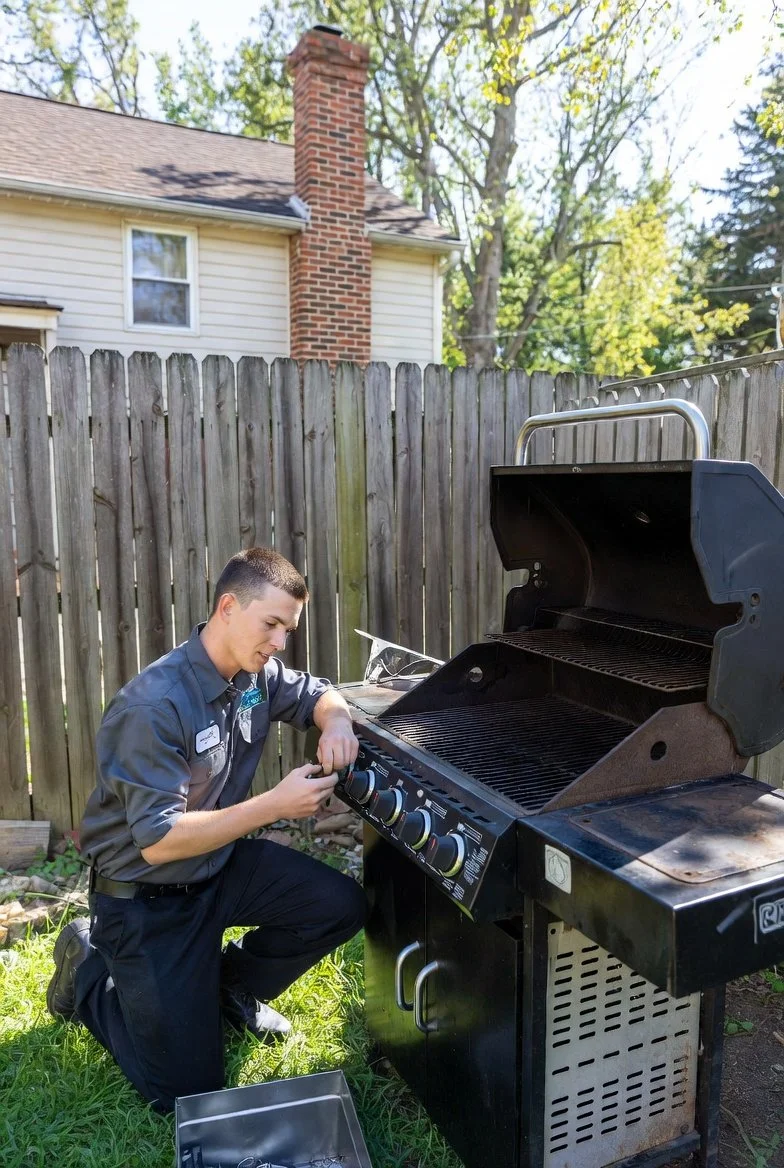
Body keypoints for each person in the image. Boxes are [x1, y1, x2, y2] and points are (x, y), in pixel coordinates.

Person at [46, 547, 366, 1114]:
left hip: (216, 867)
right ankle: (92, 969)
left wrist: (337, 719)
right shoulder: (153, 706)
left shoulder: (254, 674)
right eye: (271, 624)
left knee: (340, 903)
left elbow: (315, 692)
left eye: (288, 629)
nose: (279, 642)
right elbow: (160, 840)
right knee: (185, 1094)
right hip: (146, 897)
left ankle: (223, 984)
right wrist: (273, 804)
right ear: (227, 607)